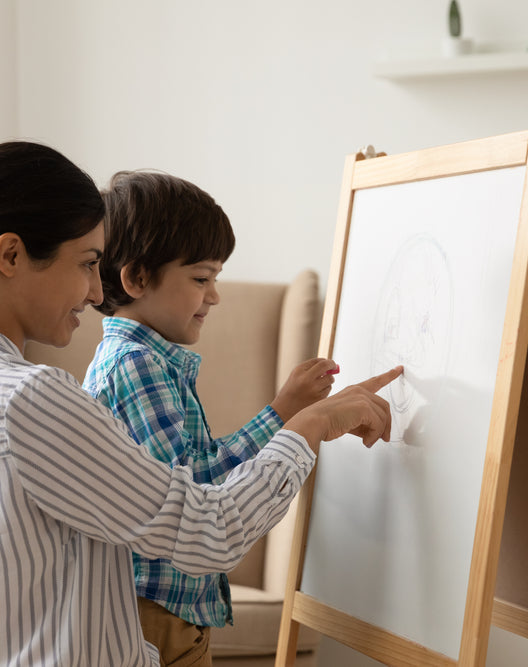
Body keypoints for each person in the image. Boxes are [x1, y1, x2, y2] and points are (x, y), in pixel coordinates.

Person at [0, 140, 402, 667]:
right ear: (11, 255)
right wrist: (308, 426)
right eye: (86, 264)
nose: (92, 292)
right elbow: (209, 531)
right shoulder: (29, 398)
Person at [82, 171, 338, 666]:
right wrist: (282, 413)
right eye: (202, 279)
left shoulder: (146, 361)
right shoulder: (135, 366)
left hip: (166, 609)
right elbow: (198, 491)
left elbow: (190, 469)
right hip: (155, 614)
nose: (214, 296)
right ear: (136, 278)